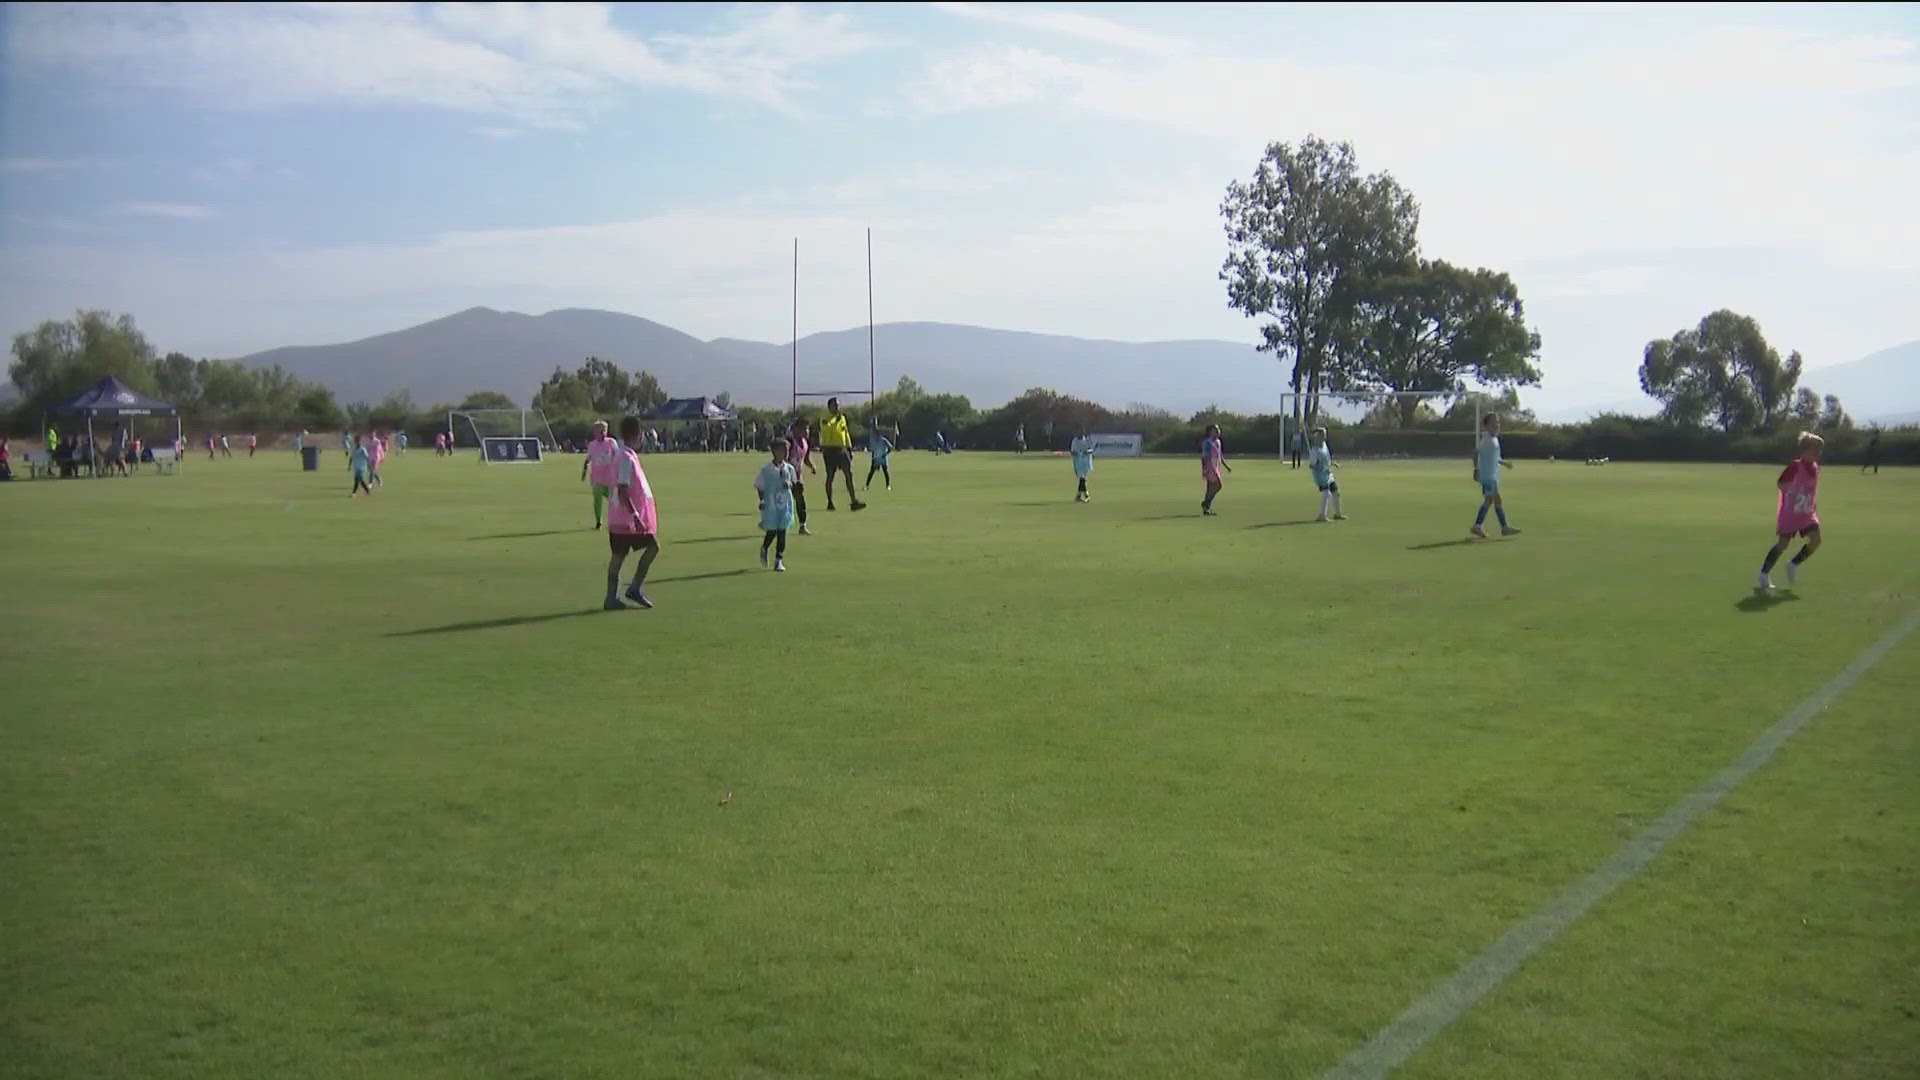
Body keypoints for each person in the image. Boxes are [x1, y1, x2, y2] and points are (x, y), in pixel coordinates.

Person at [604, 416, 660, 609]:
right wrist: (635, 515)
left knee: (618, 556)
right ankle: (633, 589)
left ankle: (612, 597)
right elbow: (622, 488)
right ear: (638, 435)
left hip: (619, 518)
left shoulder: (625, 455)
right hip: (626, 520)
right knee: (652, 547)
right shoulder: (626, 458)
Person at [1759, 432, 1824, 590]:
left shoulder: (1815, 468)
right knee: (1783, 544)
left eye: (1819, 450)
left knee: (1816, 540)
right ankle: (1764, 574)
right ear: (1806, 449)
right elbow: (1781, 483)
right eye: (1816, 449)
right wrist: (1792, 490)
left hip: (1807, 513)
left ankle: (1793, 564)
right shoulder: (1796, 466)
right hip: (1791, 513)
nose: (1818, 453)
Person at [1471, 413, 1519, 538]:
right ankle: (1504, 527)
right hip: (1487, 476)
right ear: (1486, 426)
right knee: (1495, 500)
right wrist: (1476, 469)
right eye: (1493, 423)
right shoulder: (1486, 440)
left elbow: (1495, 457)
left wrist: (1504, 463)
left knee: (1490, 501)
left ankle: (1478, 526)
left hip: (1492, 475)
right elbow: (1476, 453)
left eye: (1497, 422)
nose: (1497, 425)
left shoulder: (1494, 439)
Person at [755, 437, 797, 571]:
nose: (786, 453)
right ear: (774, 451)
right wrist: (762, 501)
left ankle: (779, 559)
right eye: (783, 450)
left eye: (788, 450)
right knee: (772, 531)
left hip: (785, 505)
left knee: (782, 531)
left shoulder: (789, 469)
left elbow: (794, 482)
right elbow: (760, 486)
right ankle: (765, 547)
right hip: (771, 505)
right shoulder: (766, 470)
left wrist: (789, 484)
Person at [817, 397, 866, 512]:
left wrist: (849, 448)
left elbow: (845, 433)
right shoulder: (824, 418)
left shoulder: (842, 418)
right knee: (830, 476)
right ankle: (830, 502)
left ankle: (854, 501)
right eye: (835, 405)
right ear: (829, 407)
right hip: (829, 450)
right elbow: (827, 428)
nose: (838, 408)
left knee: (849, 474)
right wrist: (835, 419)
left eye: (839, 405)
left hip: (841, 449)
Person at [581, 420, 618, 529]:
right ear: (595, 433)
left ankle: (616, 520)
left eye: (604, 431)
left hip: (610, 478)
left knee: (613, 500)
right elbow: (588, 459)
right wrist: (584, 472)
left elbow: (618, 456)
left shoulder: (611, 442)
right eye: (599, 431)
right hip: (597, 478)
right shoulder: (592, 445)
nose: (601, 433)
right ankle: (598, 521)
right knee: (597, 498)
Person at [787, 418, 818, 535]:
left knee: (801, 500)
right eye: (804, 428)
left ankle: (802, 526)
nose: (806, 431)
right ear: (795, 429)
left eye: (808, 428)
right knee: (785, 502)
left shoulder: (805, 443)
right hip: (786, 478)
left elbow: (805, 458)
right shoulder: (789, 442)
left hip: (798, 477)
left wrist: (812, 466)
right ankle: (781, 524)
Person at [1308, 427, 1345, 521]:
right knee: (1327, 494)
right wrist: (1319, 468)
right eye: (1323, 434)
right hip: (1320, 476)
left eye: (1325, 434)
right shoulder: (1315, 450)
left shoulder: (1324, 445)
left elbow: (1327, 458)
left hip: (1328, 474)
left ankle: (1337, 514)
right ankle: (1322, 516)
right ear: (1318, 436)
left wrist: (1333, 463)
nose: (1325, 436)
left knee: (1336, 493)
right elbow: (1311, 466)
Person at [1200, 423, 1231, 515]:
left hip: (1217, 467)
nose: (1217, 431)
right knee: (1218, 485)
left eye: (1218, 430)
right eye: (1215, 430)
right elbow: (1205, 456)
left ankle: (1207, 508)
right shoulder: (1207, 443)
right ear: (1210, 432)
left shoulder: (1218, 442)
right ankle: (1206, 503)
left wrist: (1226, 466)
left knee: (1210, 488)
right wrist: (1206, 468)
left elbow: (1219, 455)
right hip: (1210, 467)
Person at [1070, 426, 1095, 502]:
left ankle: (1085, 495)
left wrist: (1087, 452)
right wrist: (1074, 454)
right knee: (1082, 478)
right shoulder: (1074, 441)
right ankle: (1082, 495)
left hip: (1086, 462)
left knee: (1083, 479)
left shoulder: (1087, 440)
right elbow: (1072, 451)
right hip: (1078, 462)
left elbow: (1091, 450)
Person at [866, 425, 893, 491]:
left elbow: (890, 447)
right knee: (871, 472)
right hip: (876, 458)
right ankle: (867, 485)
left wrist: (886, 454)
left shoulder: (883, 440)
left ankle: (888, 485)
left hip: (883, 458)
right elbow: (873, 450)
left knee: (885, 472)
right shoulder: (873, 441)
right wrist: (873, 458)